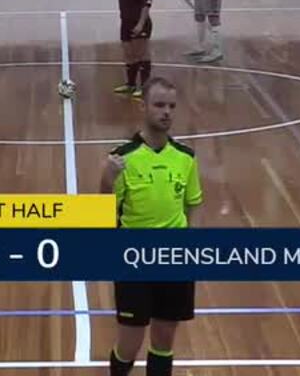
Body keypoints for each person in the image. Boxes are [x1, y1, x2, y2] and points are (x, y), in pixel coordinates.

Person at [101, 76, 202, 376]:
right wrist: (106, 180)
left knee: (163, 340)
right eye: (159, 105)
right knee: (129, 342)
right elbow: (105, 216)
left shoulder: (185, 158)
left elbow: (192, 203)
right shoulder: (123, 158)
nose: (166, 112)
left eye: (171, 105)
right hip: (134, 260)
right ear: (143, 107)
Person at [115, 0, 153, 99]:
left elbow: (146, 5)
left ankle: (144, 87)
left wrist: (140, 24)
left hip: (140, 23)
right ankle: (130, 84)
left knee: (141, 53)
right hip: (125, 23)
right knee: (128, 54)